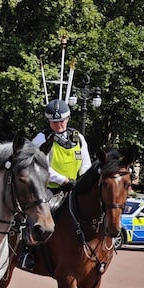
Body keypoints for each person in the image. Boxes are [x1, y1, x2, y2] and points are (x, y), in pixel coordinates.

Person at [18, 99, 91, 270]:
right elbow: (40, 165)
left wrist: (83, 181)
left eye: (61, 121)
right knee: (41, 213)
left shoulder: (78, 138)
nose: (58, 124)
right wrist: (63, 180)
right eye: (54, 122)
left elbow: (86, 163)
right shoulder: (41, 139)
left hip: (75, 187)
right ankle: (26, 252)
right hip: (48, 188)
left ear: (68, 119)